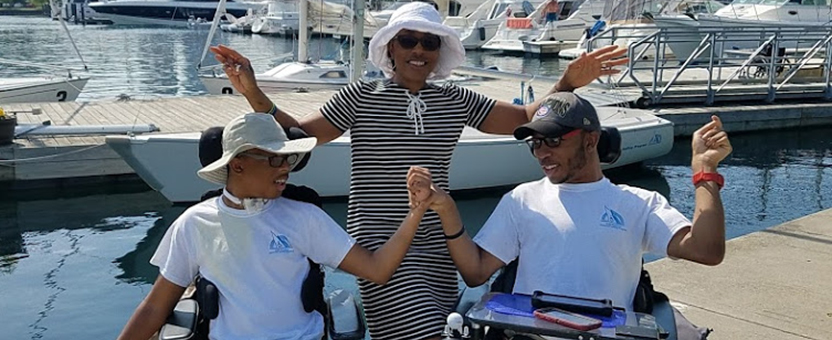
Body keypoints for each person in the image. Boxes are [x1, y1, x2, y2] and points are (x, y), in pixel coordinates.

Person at [210, 2, 628, 338]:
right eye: (408, 40)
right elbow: (300, 134)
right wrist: (253, 91)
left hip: (436, 240)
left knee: (445, 324)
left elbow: (522, 116)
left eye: (429, 43)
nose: (419, 50)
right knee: (420, 330)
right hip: (378, 240)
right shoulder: (362, 95)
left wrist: (568, 81)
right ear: (390, 46)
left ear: (439, 52)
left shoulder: (455, 98)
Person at [407, 92, 732, 337]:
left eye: (553, 140)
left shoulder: (638, 203)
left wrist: (705, 171)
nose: (542, 152)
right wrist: (447, 210)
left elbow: (705, 250)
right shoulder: (522, 199)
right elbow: (476, 272)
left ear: (590, 140)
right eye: (535, 143)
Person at [117, 113, 431, 340]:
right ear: (237, 164)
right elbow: (155, 307)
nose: (285, 168)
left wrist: (416, 211)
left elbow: (378, 269)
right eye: (274, 159)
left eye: (288, 159)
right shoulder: (194, 223)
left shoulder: (304, 218)